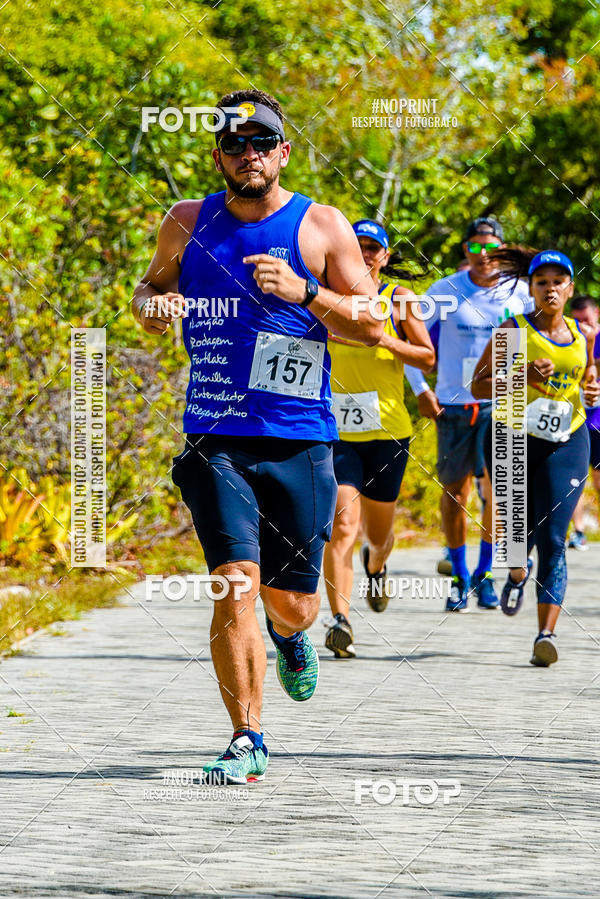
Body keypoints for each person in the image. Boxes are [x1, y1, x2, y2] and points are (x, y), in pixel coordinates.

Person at [131, 89, 382, 783]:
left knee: (291, 601)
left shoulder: (322, 225)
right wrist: (154, 307)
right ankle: (247, 738)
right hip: (215, 436)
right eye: (234, 144)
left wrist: (306, 294)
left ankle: (291, 635)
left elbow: (371, 321)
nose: (248, 154)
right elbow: (145, 287)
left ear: (283, 151)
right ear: (217, 154)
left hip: (299, 437)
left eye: (261, 141)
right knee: (233, 582)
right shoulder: (186, 221)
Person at [472, 250, 599, 666]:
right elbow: (477, 385)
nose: (550, 288)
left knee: (554, 538)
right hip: (512, 436)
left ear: (570, 288)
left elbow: (587, 378)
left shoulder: (584, 334)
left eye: (558, 281)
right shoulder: (513, 330)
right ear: (531, 288)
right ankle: (514, 572)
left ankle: (546, 634)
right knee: (517, 533)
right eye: (541, 281)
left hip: (568, 439)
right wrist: (521, 375)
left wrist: (592, 392)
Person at [405, 218, 532, 611]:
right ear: (466, 251)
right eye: (474, 248)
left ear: (503, 251)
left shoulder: (522, 294)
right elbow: (410, 336)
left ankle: (486, 574)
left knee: (496, 493)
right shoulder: (445, 290)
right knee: (455, 494)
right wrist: (420, 388)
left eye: (490, 249)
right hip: (454, 403)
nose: (483, 257)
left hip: (503, 402)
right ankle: (459, 575)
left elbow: (546, 336)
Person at [322, 221, 435, 658]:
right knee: (342, 525)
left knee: (379, 533)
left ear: (386, 257)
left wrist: (382, 337)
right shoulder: (325, 298)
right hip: (337, 432)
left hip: (388, 432)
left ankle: (378, 565)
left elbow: (427, 356)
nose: (366, 254)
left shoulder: (399, 300)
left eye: (374, 249)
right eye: (359, 246)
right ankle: (340, 621)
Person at [567, 295, 600, 550]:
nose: (584, 327)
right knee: (573, 480)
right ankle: (578, 531)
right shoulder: (567, 337)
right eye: (578, 321)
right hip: (572, 418)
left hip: (598, 420)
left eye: (587, 320)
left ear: (596, 313)